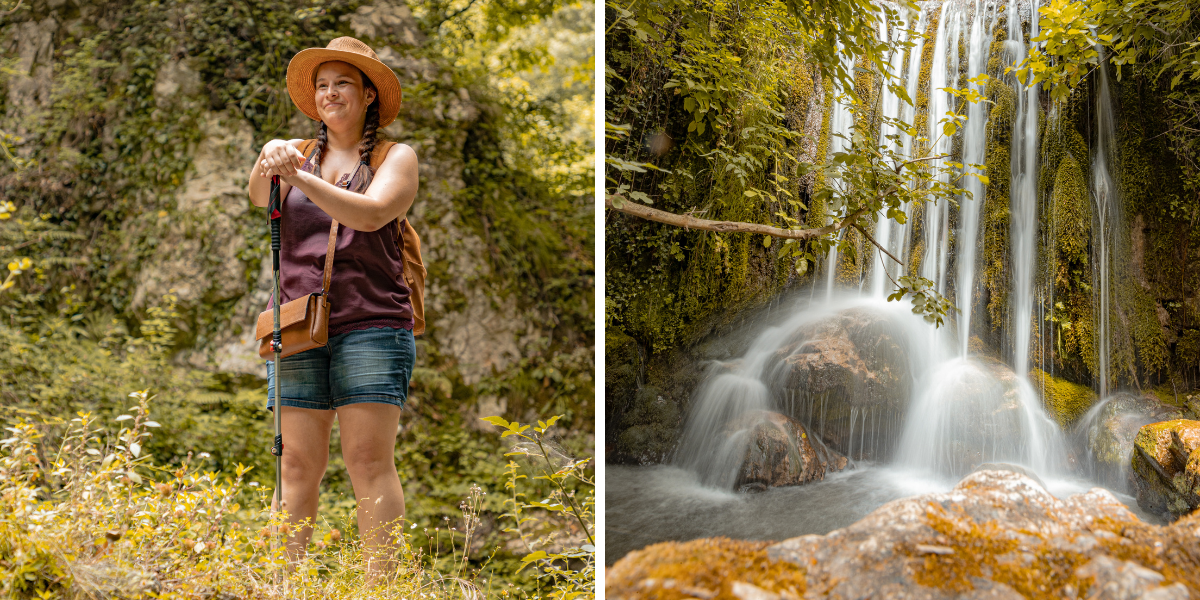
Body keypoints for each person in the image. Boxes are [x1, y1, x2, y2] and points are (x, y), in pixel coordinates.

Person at [246, 36, 420, 576]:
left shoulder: (397, 158)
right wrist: (272, 154)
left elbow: (370, 215)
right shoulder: (295, 153)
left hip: (373, 324)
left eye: (342, 82)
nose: (330, 93)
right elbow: (258, 195)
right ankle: (282, 583)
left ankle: (381, 588)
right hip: (299, 325)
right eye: (321, 85)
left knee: (368, 462)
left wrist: (299, 176)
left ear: (369, 94)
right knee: (296, 464)